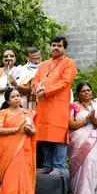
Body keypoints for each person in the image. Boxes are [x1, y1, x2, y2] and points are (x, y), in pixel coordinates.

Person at [32, 37, 78, 176]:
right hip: (43, 105)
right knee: (45, 134)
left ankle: (59, 166)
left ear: (64, 48)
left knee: (58, 136)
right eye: (53, 45)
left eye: (59, 45)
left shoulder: (69, 63)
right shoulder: (44, 64)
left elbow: (64, 82)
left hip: (59, 106)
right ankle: (47, 165)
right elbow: (36, 80)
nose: (55, 48)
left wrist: (46, 91)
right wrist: (37, 89)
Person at [0, 87, 37, 194]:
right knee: (10, 177)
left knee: (23, 176)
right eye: (13, 96)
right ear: (7, 100)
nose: (16, 98)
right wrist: (15, 129)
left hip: (24, 149)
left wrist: (28, 130)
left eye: (18, 96)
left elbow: (33, 130)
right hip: (8, 149)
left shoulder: (27, 113)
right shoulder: (3, 113)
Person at [68, 82, 97, 194]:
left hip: (96, 141)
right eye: (83, 91)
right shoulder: (73, 106)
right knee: (83, 166)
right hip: (79, 142)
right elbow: (70, 125)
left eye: (88, 90)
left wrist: (93, 120)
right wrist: (86, 120)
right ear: (78, 94)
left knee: (95, 164)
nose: (87, 93)